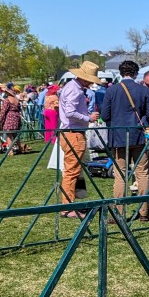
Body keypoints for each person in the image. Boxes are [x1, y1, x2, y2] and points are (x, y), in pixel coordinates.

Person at [101, 60, 149, 220]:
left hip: (118, 138)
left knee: (120, 175)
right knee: (142, 173)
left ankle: (118, 212)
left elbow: (105, 115)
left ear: (120, 73)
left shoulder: (112, 91)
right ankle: (144, 212)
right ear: (135, 73)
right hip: (139, 136)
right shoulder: (143, 90)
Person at [58, 61, 100, 216]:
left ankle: (68, 204)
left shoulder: (72, 87)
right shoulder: (75, 90)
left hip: (70, 132)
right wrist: (88, 118)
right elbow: (70, 112)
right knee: (72, 171)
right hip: (73, 133)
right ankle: (67, 207)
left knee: (71, 170)